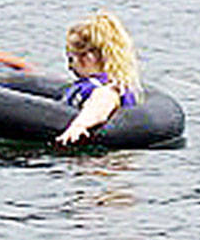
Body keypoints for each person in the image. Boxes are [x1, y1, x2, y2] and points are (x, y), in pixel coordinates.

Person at [56, 11, 142, 145]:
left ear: (87, 58)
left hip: (100, 160)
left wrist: (80, 125)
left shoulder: (107, 87)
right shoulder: (111, 81)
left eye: (71, 59)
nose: (69, 67)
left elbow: (103, 101)